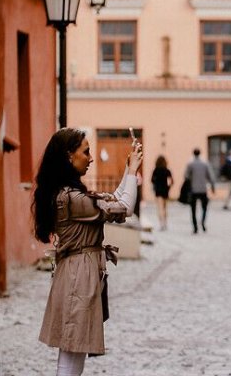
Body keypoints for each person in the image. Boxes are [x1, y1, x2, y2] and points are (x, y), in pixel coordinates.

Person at [33, 128, 142, 376]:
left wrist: (127, 168)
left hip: (77, 272)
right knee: (72, 349)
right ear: (69, 156)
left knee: (75, 346)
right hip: (78, 277)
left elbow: (114, 199)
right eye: (86, 151)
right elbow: (124, 207)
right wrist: (133, 171)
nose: (91, 158)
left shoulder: (71, 195)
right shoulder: (71, 198)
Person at [184, 148, 215, 234]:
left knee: (193, 209)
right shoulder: (205, 164)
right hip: (203, 189)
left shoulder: (190, 164)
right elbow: (211, 177)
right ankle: (203, 221)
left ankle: (195, 227)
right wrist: (213, 187)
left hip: (193, 190)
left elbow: (186, 176)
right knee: (204, 207)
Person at [150, 155, 173, 231]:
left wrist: (156, 184)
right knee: (165, 208)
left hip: (158, 191)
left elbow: (152, 180)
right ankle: (165, 223)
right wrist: (168, 187)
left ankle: (161, 224)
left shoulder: (156, 170)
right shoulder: (167, 170)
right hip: (165, 190)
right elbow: (171, 181)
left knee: (160, 208)